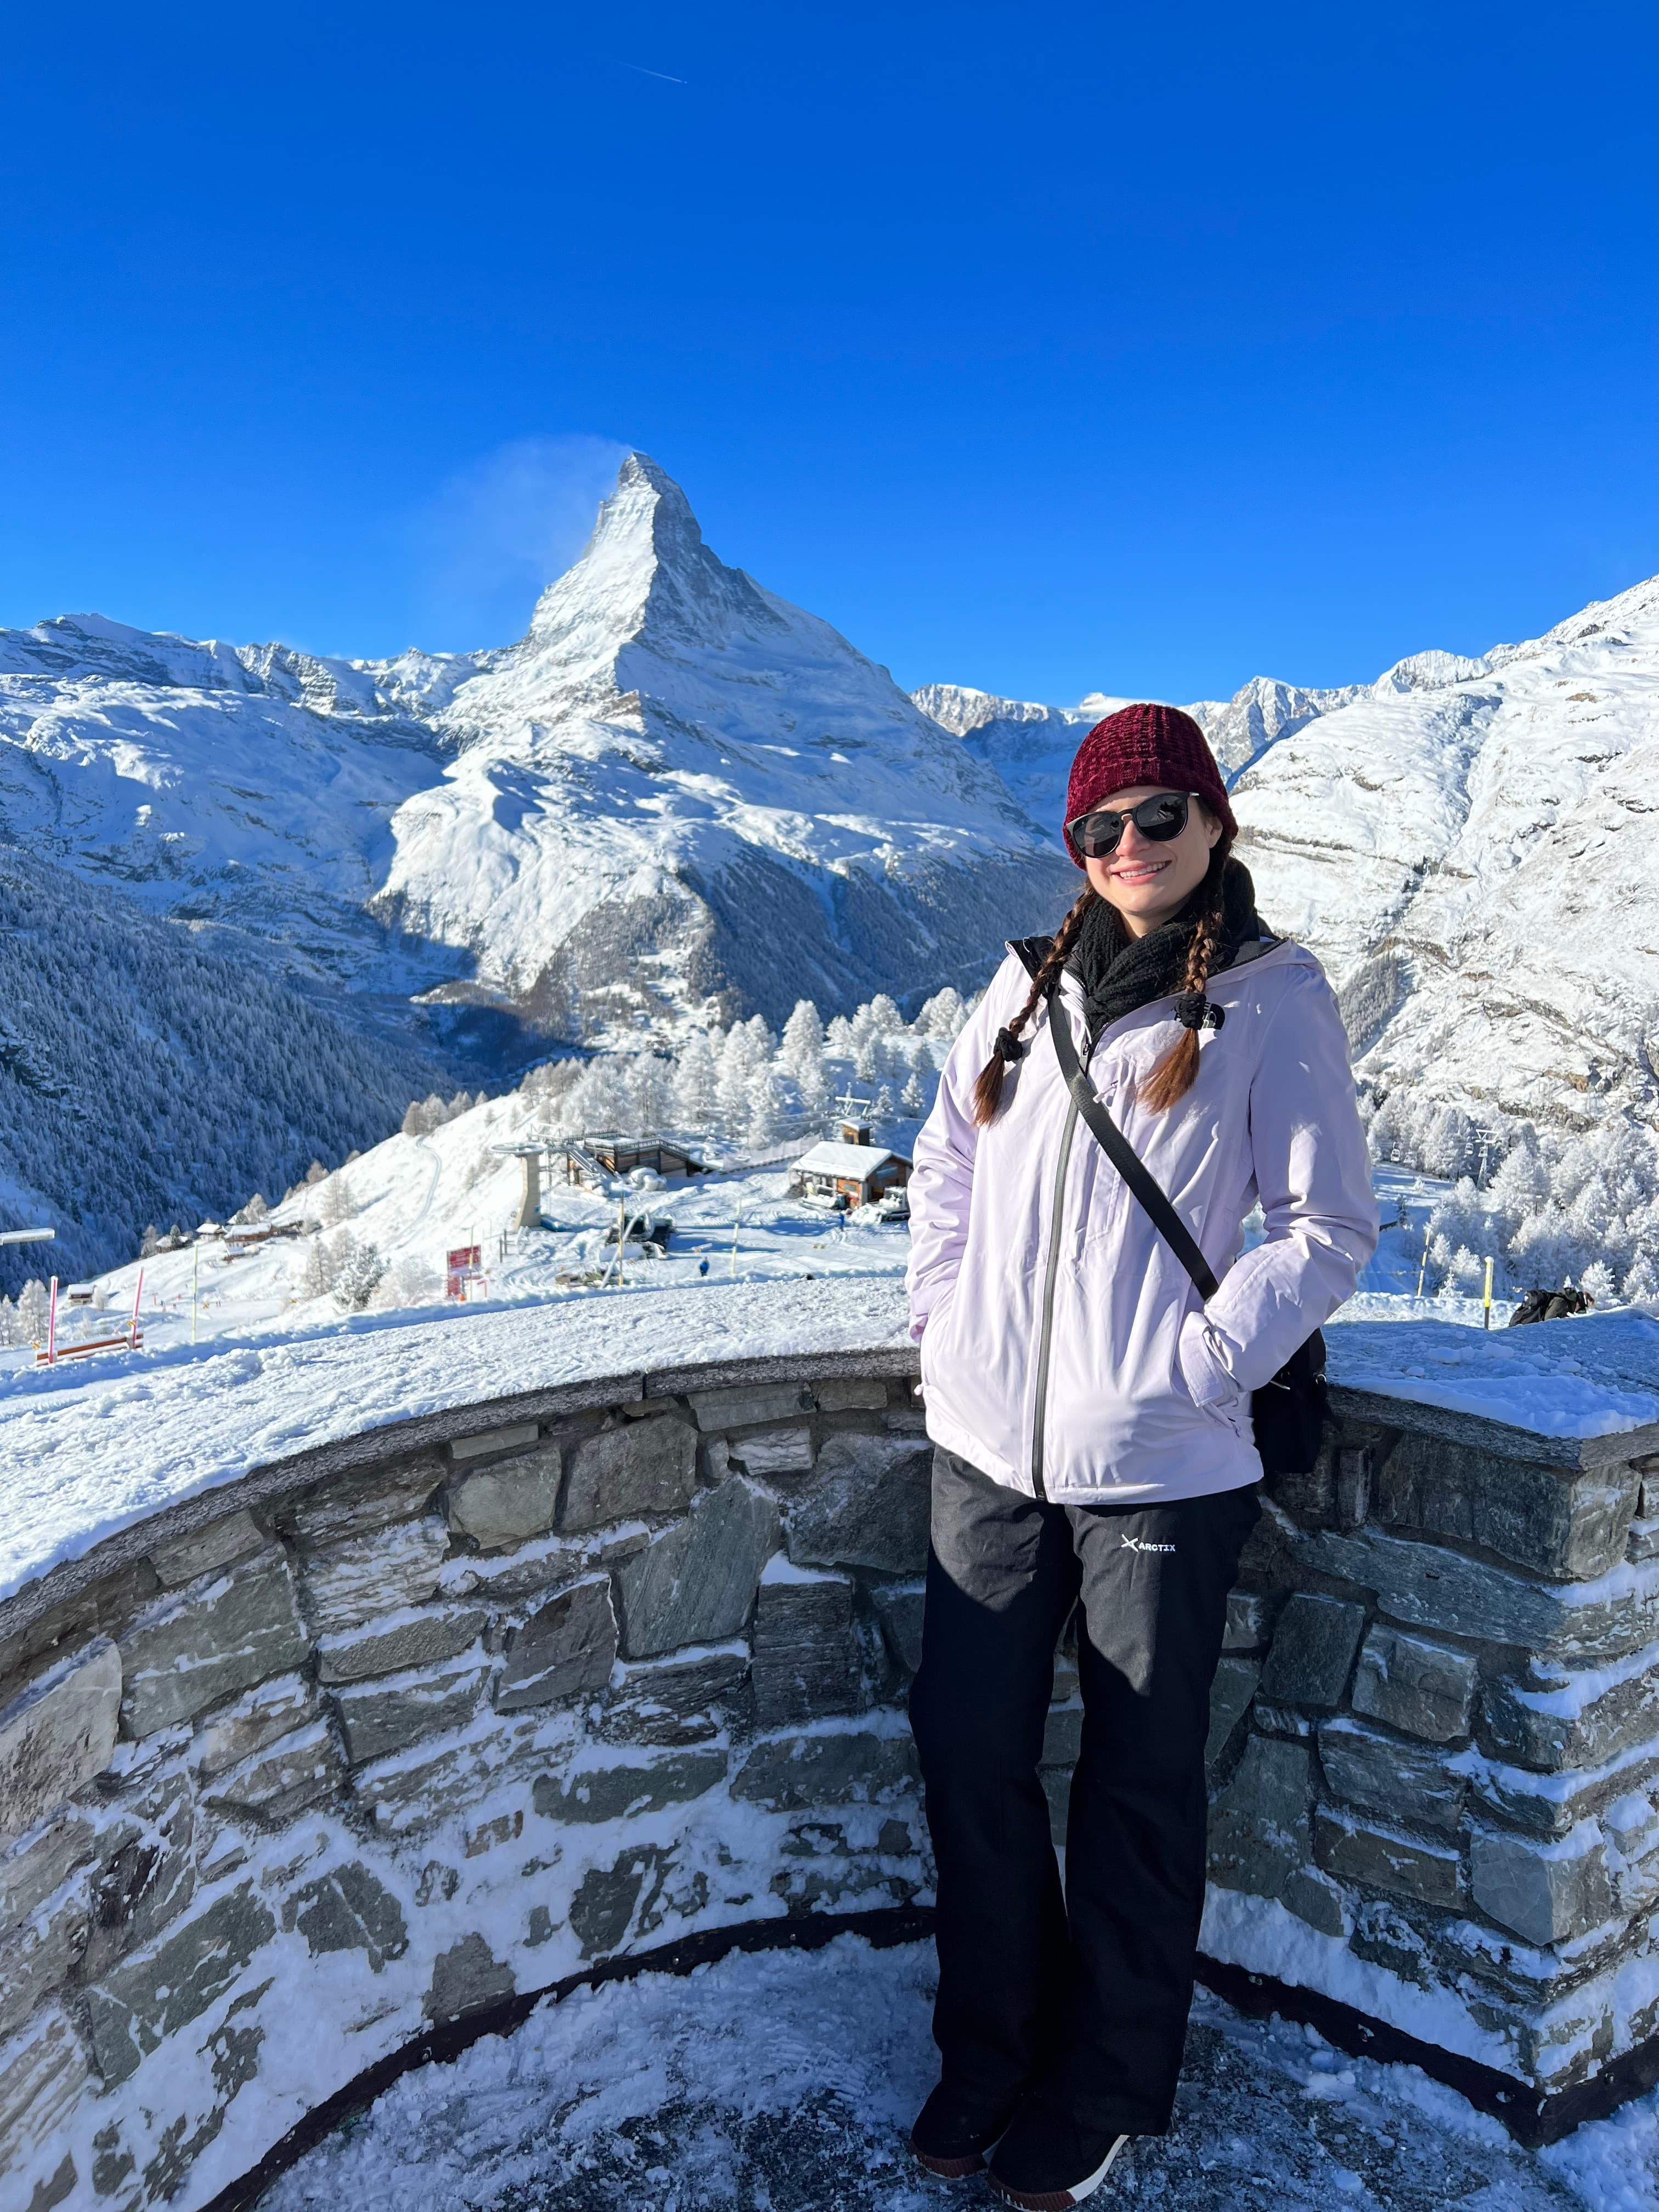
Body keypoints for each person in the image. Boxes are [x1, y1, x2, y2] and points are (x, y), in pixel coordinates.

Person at [903, 702, 1378, 2208]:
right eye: (1097, 829)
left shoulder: (1270, 999)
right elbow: (947, 1164)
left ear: (1214, 823)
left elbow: (1325, 1229)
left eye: (1156, 818)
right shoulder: (1025, 985)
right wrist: (948, 1330)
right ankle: (993, 2045)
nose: (1127, 851)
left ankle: (1099, 2084)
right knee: (969, 1757)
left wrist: (1208, 1362)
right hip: (988, 1448)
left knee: (1136, 1783)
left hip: (1165, 1465)